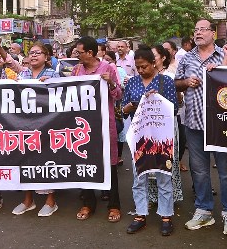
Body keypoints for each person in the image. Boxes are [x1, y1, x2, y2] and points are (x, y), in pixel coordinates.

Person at [176, 19, 227, 235]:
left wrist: (222, 68)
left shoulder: (226, 54)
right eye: (195, 30)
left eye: (203, 29)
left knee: (225, 172)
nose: (198, 33)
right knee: (199, 170)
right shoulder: (186, 57)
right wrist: (186, 83)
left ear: (213, 33)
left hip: (220, 124)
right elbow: (177, 82)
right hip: (193, 123)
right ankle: (204, 211)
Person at [122, 47, 179, 236]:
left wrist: (156, 99)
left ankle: (166, 216)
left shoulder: (166, 82)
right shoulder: (132, 83)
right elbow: (122, 109)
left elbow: (174, 109)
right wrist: (130, 106)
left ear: (153, 63)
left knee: (163, 175)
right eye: (137, 67)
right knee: (139, 177)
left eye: (144, 66)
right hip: (139, 136)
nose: (140, 70)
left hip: (161, 136)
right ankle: (140, 215)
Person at [72, 36, 122, 224]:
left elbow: (118, 95)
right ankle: (88, 203)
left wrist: (110, 83)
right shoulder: (77, 70)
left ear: (90, 53)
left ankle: (114, 204)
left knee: (109, 163)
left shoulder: (108, 68)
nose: (77, 55)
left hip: (103, 123)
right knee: (85, 162)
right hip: (82, 125)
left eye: (80, 52)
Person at [12, 42, 59, 217]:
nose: (33, 55)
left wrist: (53, 84)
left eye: (38, 53)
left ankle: (50, 200)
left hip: (46, 124)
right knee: (25, 159)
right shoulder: (23, 73)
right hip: (25, 124)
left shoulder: (53, 74)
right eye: (31, 53)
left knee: (47, 159)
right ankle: (28, 200)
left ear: (46, 57)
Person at [148, 44, 183, 203]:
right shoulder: (144, 76)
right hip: (148, 126)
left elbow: (177, 103)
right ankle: (152, 197)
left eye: (154, 55)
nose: (151, 58)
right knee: (149, 161)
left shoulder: (169, 76)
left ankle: (170, 197)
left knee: (168, 161)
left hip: (166, 124)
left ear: (163, 58)